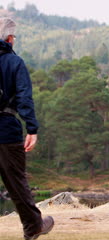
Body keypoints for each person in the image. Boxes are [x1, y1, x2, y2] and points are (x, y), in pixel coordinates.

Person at [0, 18, 54, 240]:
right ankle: (33, 227)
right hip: (6, 129)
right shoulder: (15, 62)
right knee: (16, 181)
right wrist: (32, 128)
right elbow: (24, 98)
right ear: (10, 39)